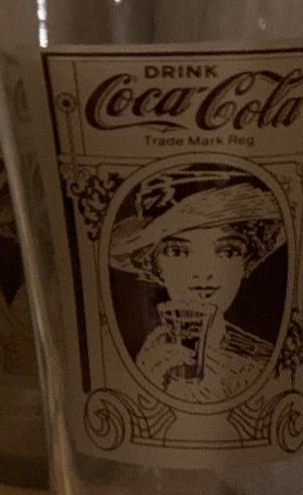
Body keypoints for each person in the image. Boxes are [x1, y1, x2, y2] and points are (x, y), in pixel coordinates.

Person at [108, 168, 286, 405]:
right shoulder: (148, 354)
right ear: (154, 265)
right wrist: (147, 386)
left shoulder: (263, 361)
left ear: (246, 261)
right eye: (178, 251)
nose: (204, 272)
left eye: (227, 251)